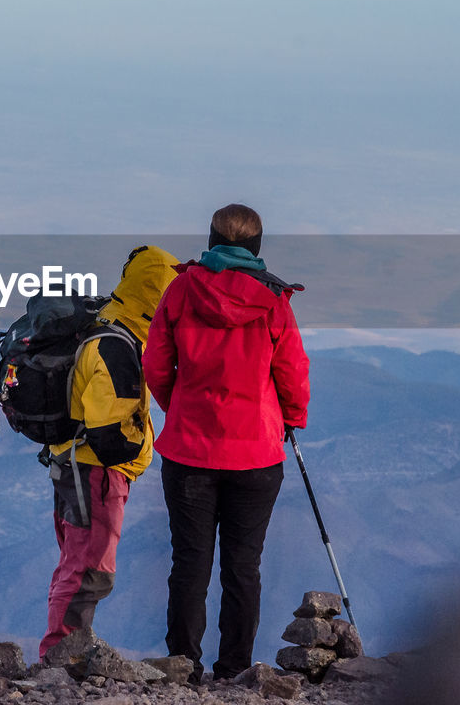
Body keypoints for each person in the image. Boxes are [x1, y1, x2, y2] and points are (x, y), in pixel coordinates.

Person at [142, 203, 310, 682]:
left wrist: (181, 408)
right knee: (244, 566)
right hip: (256, 453)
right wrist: (291, 418)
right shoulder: (273, 301)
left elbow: (156, 364)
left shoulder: (180, 290)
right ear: (256, 247)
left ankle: (182, 665)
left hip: (190, 450)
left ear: (212, 239)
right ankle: (235, 667)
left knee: (189, 561)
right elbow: (292, 372)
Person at [38, 244, 180, 659]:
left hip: (72, 463)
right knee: (90, 568)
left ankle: (63, 648)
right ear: (160, 293)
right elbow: (107, 431)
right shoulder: (120, 345)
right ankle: (62, 654)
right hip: (96, 471)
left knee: (75, 562)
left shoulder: (110, 325)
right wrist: (140, 447)